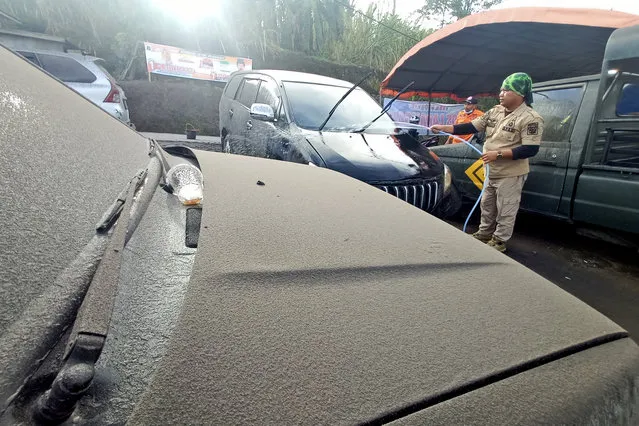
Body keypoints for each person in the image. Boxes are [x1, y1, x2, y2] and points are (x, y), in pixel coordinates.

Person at [431, 72, 544, 252]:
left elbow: (530, 149)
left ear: (520, 94)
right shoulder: (495, 111)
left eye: (507, 90)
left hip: (510, 173)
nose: (501, 93)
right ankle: (484, 233)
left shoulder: (531, 118)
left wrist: (497, 154)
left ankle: (499, 240)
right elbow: (470, 126)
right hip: (491, 170)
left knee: (506, 208)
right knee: (487, 204)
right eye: (501, 90)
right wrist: (445, 128)